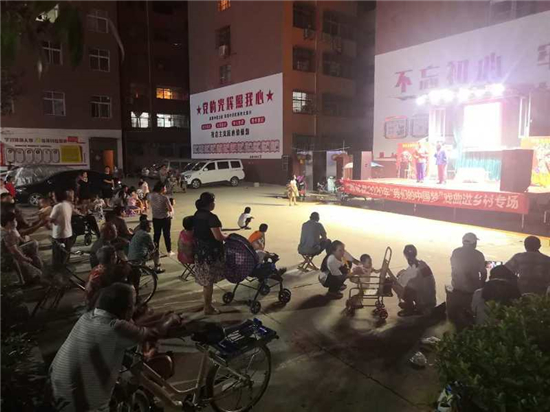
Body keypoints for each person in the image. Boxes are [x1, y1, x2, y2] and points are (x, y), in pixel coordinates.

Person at [49, 283, 180, 412]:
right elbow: (154, 332)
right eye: (133, 304)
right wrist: (172, 318)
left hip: (56, 395)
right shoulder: (115, 327)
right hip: (84, 407)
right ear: (127, 309)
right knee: (157, 365)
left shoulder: (87, 317)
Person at [194, 192, 226, 315]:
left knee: (206, 281)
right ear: (210, 203)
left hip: (200, 251)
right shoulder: (212, 217)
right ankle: (207, 307)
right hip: (210, 254)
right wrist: (227, 237)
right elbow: (218, 237)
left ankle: (208, 301)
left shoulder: (197, 214)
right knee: (208, 283)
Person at [448, 232, 487, 330]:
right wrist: (481, 286)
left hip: (456, 288)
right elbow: (483, 273)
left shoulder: (456, 252)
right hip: (471, 291)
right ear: (473, 243)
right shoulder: (478, 255)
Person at [393, 245, 436, 316]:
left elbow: (405, 282)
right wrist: (404, 272)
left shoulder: (415, 267)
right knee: (408, 286)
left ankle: (410, 308)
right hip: (430, 297)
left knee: (399, 286)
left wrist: (398, 279)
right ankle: (411, 304)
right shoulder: (422, 264)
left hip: (424, 300)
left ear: (406, 255)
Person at [1, 212, 43, 284]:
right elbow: (15, 252)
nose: (16, 222)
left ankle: (36, 264)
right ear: (8, 223)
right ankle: (30, 276)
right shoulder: (8, 234)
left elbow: (21, 239)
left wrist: (26, 240)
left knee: (33, 243)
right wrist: (26, 259)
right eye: (14, 220)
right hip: (9, 258)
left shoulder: (12, 229)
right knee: (37, 274)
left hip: (16, 250)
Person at [50, 189, 74, 268]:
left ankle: (58, 270)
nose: (53, 197)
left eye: (53, 196)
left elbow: (51, 219)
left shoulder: (57, 207)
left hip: (59, 234)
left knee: (58, 255)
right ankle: (65, 268)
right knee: (66, 254)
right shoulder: (68, 204)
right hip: (68, 232)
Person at [149, 181, 174, 256]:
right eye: (165, 187)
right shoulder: (164, 197)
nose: (165, 189)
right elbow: (170, 209)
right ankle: (169, 251)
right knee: (167, 235)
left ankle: (155, 251)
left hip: (155, 218)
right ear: (161, 188)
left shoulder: (151, 196)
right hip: (165, 218)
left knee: (156, 235)